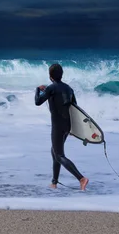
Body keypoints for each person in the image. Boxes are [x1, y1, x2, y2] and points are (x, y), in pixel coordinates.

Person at [35, 63, 89, 191]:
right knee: (55, 151)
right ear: (61, 75)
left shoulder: (51, 88)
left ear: (50, 76)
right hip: (67, 125)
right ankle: (54, 183)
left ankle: (81, 179)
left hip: (57, 125)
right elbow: (75, 109)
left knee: (59, 155)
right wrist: (73, 128)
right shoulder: (69, 89)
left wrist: (38, 89)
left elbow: (37, 102)